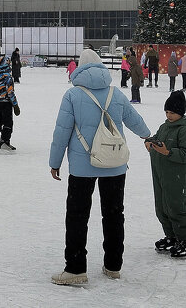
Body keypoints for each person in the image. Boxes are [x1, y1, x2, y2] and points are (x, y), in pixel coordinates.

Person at [48, 49, 150, 286]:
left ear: (80, 69)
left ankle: (75, 269)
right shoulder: (116, 93)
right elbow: (134, 120)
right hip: (115, 165)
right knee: (114, 215)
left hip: (82, 168)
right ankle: (113, 266)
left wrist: (55, 163)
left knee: (77, 217)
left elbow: (61, 132)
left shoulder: (72, 95)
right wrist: (149, 136)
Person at [147, 91, 186, 259]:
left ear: (180, 113)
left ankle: (184, 241)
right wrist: (150, 142)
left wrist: (168, 151)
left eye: (172, 113)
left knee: (177, 208)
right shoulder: (164, 126)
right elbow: (157, 138)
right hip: (161, 175)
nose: (169, 115)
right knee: (162, 208)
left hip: (176, 177)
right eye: (167, 112)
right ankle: (172, 236)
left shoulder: (185, 130)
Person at [0, 55, 21, 151]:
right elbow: (10, 92)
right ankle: (5, 142)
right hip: (5, 103)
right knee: (8, 123)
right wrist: (15, 105)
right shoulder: (8, 77)